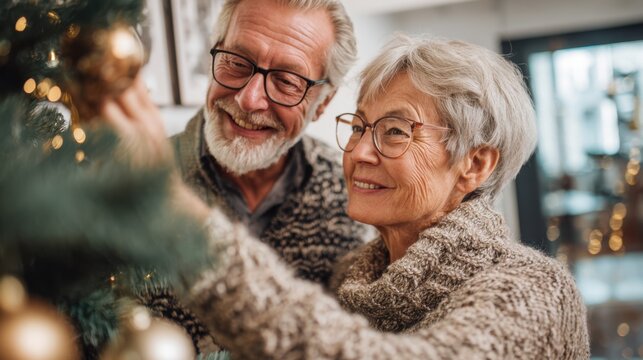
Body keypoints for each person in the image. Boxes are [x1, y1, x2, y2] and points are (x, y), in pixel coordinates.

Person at [179, 34, 590, 359]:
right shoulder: (348, 279)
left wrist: (200, 236)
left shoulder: (534, 290)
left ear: (475, 164)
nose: (358, 152)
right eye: (358, 127)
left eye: (394, 131)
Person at [101, 0, 366, 354]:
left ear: (321, 104)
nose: (248, 99)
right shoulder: (126, 180)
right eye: (236, 63)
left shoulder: (355, 196)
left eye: (287, 81)